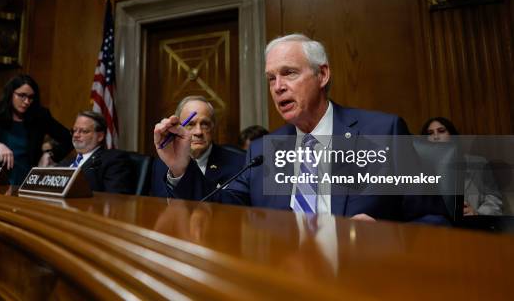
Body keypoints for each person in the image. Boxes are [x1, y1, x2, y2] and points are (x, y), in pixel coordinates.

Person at [154, 34, 429, 221]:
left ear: (322, 75)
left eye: (289, 73)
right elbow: (218, 212)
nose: (277, 87)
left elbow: (431, 217)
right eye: (271, 78)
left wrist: (389, 236)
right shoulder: (264, 151)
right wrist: (181, 167)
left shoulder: (383, 132)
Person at [0, 74, 72, 185]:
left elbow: (69, 139)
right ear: (10, 93)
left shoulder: (40, 116)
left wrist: (50, 155)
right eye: (22, 96)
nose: (26, 102)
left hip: (24, 179)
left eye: (31, 97)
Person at [151, 96, 245, 198]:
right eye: (190, 124)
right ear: (177, 128)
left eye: (205, 124)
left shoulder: (238, 164)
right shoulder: (161, 164)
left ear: (213, 128)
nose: (198, 132)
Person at [420, 117, 502, 216]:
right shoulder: (422, 169)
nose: (436, 136)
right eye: (430, 133)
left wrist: (478, 214)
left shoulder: (477, 162)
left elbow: (494, 199)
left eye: (441, 131)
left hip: (472, 226)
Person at [59, 111, 135, 194]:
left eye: (84, 131)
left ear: (100, 136)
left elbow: (115, 197)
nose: (76, 135)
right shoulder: (64, 163)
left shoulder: (114, 160)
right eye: (74, 130)